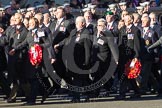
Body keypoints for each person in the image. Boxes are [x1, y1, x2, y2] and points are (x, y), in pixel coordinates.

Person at [54, 16, 92, 102]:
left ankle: (76, 97)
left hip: (81, 61)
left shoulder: (86, 33)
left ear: (83, 23)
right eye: (76, 22)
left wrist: (87, 62)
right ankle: (87, 94)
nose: (76, 24)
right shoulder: (74, 31)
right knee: (82, 79)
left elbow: (88, 49)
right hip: (73, 60)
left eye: (78, 22)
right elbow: (67, 40)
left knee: (78, 80)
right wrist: (59, 44)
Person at [116, 14, 141, 100]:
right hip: (122, 57)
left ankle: (122, 94)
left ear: (130, 20)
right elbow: (119, 43)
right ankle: (137, 91)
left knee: (128, 75)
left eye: (126, 19)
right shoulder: (122, 29)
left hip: (131, 57)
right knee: (126, 75)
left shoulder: (135, 30)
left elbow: (137, 45)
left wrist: (136, 57)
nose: (124, 20)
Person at [92, 18, 119, 97]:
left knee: (100, 76)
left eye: (101, 25)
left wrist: (116, 59)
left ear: (105, 26)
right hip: (95, 59)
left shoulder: (108, 35)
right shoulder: (95, 33)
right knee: (101, 76)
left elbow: (113, 47)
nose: (99, 27)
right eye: (98, 25)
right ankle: (109, 88)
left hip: (104, 59)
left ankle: (96, 92)